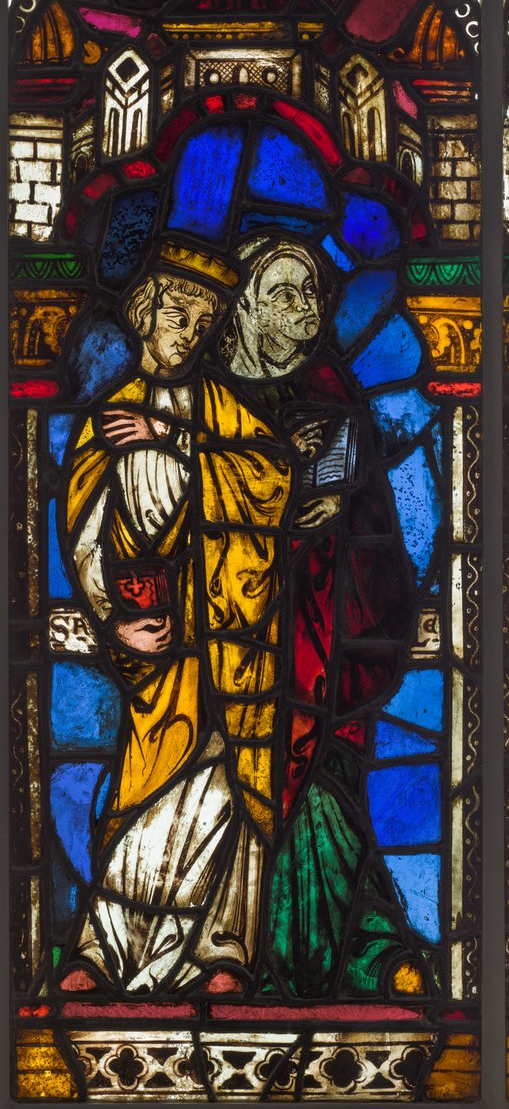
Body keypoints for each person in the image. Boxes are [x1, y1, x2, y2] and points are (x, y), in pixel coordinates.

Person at [59, 238, 300, 995]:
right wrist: (113, 622)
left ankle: (221, 950)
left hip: (224, 640)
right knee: (145, 786)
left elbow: (272, 477)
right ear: (144, 314)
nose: (188, 334)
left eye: (203, 323)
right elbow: (85, 533)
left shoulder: (224, 412)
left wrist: (173, 440)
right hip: (150, 644)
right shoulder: (106, 417)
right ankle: (108, 949)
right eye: (177, 315)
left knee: (226, 788)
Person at [219, 234, 425, 998]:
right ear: (241, 308)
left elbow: (371, 530)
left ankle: (359, 949)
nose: (304, 311)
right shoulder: (207, 399)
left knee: (327, 782)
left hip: (322, 635)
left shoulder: (333, 394)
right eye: (282, 294)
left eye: (310, 295)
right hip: (230, 640)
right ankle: (236, 952)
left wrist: (323, 512)